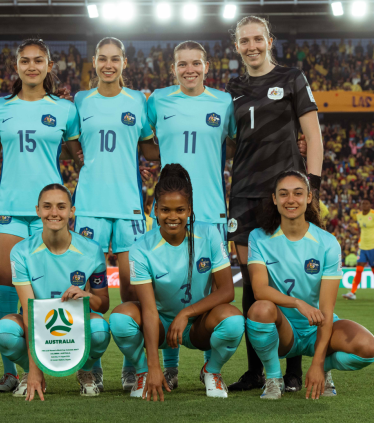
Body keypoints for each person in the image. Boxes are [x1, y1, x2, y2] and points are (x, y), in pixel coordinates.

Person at [226, 16, 324, 393]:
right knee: (254, 282)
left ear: (269, 41)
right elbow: (232, 143)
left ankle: (294, 369)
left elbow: (313, 135)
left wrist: (309, 186)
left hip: (286, 193)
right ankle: (257, 370)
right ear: (236, 46)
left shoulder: (292, 78)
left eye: (257, 39)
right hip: (245, 193)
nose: (251, 46)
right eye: (243, 41)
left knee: (292, 276)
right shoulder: (231, 88)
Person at [0, 39, 81, 392]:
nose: (31, 66)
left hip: (50, 211)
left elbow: (79, 157)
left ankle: (53, 361)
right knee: (8, 285)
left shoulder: (65, 109)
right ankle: (13, 372)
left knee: (45, 288)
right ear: (16, 66)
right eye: (24, 61)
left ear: (49, 65)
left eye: (38, 60)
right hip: (10, 208)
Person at [145, 41, 237, 387]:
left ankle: (209, 366)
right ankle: (170, 364)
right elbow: (143, 141)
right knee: (167, 285)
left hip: (211, 208)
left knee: (212, 290)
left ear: (207, 66)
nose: (189, 70)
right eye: (182, 64)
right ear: (173, 68)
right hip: (170, 208)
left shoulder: (223, 102)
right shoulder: (157, 100)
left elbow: (240, 141)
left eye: (195, 63)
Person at [109, 164, 244, 400]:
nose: (173, 217)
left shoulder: (210, 234)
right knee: (120, 318)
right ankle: (141, 372)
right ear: (155, 210)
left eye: (180, 210)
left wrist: (186, 314)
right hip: (159, 324)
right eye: (165, 210)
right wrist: (152, 366)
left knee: (233, 321)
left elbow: (226, 291)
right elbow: (149, 310)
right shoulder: (141, 248)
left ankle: (211, 371)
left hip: (197, 324)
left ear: (190, 209)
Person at [68, 37, 157, 391]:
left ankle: (133, 366)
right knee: (86, 289)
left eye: (115, 59)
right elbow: (73, 140)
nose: (108, 64)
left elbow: (149, 146)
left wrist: (151, 160)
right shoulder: (80, 100)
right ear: (94, 61)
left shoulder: (138, 101)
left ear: (124, 63)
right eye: (102, 58)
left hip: (129, 205)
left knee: (134, 291)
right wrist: (79, 159)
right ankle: (90, 366)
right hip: (90, 204)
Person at [246, 170, 374, 400]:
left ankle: (326, 367)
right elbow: (259, 290)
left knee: (368, 349)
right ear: (275, 199)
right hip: (282, 330)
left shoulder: (327, 243)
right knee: (260, 309)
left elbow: (326, 311)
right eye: (284, 194)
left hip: (318, 325)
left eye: (298, 193)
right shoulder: (258, 237)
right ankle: (274, 378)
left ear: (308, 198)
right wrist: (299, 304)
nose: (291, 200)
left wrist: (317, 365)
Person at [0, 184, 110, 399]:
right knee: (4, 331)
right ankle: (29, 372)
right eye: (47, 207)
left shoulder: (92, 250)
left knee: (100, 329)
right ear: (37, 210)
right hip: (37, 322)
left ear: (72, 211)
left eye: (61, 207)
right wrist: (35, 367)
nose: (54, 213)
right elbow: (28, 310)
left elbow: (103, 303)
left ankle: (86, 370)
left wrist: (89, 295)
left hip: (75, 323)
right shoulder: (21, 251)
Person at [343, 199, 374, 301]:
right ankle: (352, 293)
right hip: (362, 246)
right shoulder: (359, 216)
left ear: (370, 205)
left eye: (367, 203)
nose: (364, 205)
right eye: (363, 203)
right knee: (359, 269)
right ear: (360, 205)